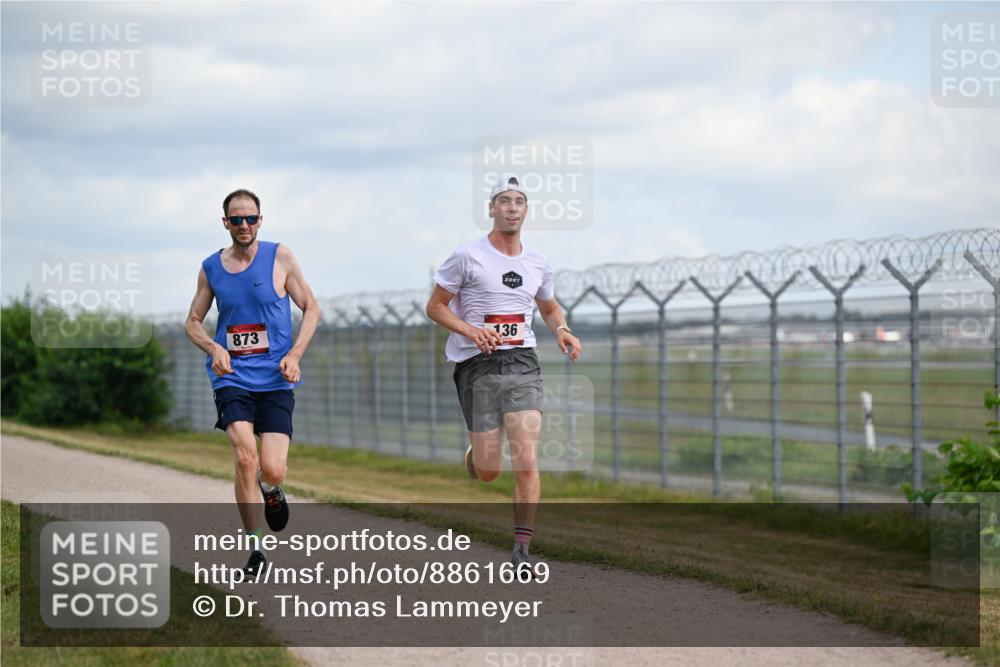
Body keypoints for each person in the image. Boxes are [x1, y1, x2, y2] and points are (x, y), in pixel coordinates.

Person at [426, 176, 582, 571]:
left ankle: (522, 552)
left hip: (522, 361)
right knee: (490, 470)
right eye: (504, 201)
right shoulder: (467, 256)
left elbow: (549, 307)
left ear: (526, 210)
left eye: (519, 201)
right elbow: (435, 306)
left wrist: (562, 330)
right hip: (476, 365)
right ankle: (477, 455)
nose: (512, 208)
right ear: (491, 209)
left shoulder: (537, 262)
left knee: (527, 457)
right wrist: (471, 331)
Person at [185, 188, 321, 576]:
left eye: (250, 218)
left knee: (272, 469)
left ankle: (272, 489)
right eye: (236, 219)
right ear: (225, 223)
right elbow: (192, 322)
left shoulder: (280, 257)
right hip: (232, 378)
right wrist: (214, 347)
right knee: (246, 457)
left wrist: (295, 355)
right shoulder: (211, 268)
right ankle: (256, 549)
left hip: (275, 379)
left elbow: (312, 308)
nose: (244, 224)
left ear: (260, 221)